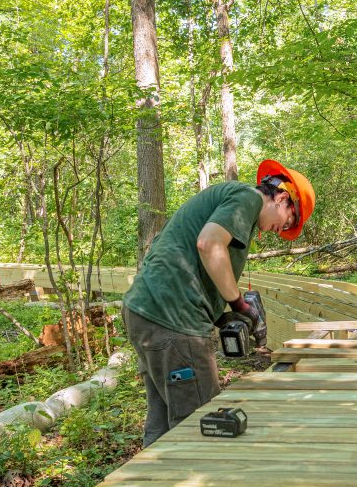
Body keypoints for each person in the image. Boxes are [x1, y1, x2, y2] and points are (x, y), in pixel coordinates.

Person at [122, 159, 315, 446]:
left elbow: (190, 264)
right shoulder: (247, 197)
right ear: (283, 198)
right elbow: (208, 244)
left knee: (162, 422)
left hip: (146, 313)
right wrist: (239, 305)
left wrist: (219, 315)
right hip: (174, 320)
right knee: (201, 426)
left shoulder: (229, 201)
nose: (279, 230)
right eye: (286, 221)